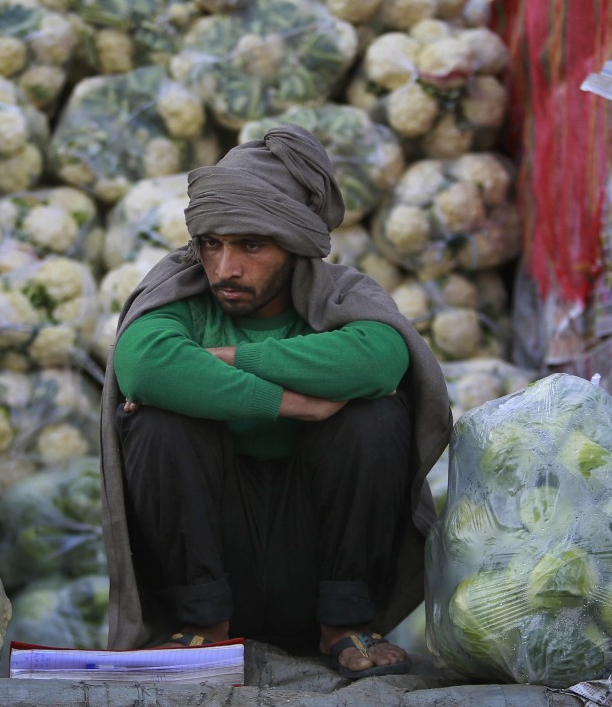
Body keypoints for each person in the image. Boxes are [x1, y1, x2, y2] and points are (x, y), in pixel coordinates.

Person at [99, 125, 452, 679]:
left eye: (251, 246)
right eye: (211, 244)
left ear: (293, 246)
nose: (224, 269)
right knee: (158, 424)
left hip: (315, 564)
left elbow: (382, 357)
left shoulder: (340, 295)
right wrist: (296, 403)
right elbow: (142, 363)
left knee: (376, 415)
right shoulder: (181, 293)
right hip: (213, 566)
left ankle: (344, 622)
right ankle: (204, 628)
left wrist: (223, 359)